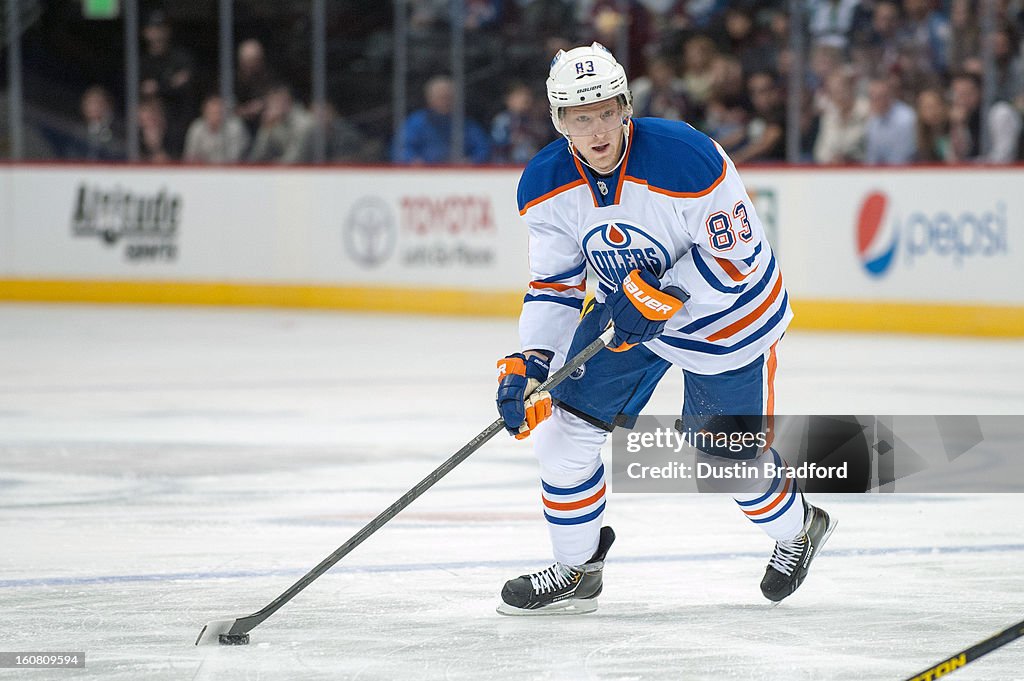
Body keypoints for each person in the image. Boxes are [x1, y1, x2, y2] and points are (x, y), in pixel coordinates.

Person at [494, 42, 835, 615]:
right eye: (581, 118)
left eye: (606, 111)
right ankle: (577, 568)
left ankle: (799, 527)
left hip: (726, 319)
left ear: (626, 105)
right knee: (562, 436)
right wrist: (532, 362)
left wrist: (667, 295)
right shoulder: (545, 185)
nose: (597, 129)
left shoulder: (687, 158)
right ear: (559, 122)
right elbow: (554, 286)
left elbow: (739, 257)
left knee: (726, 461)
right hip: (625, 314)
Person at [392, 75, 491, 164]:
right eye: (440, 97)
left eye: (448, 97)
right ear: (429, 99)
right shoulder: (416, 122)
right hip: (422, 177)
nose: (445, 101)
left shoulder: (466, 124)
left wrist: (470, 161)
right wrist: (413, 161)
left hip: (457, 177)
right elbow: (400, 148)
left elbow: (483, 149)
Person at [139, 10, 196, 158]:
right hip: (149, 123)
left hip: (178, 119)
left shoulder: (180, 58)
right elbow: (139, 91)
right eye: (154, 28)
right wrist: (169, 84)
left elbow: (185, 85)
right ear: (146, 32)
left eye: (161, 28)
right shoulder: (141, 63)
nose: (158, 33)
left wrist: (158, 87)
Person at [247, 85, 315, 164]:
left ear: (286, 102)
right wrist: (265, 127)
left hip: (315, 172)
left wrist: (271, 165)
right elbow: (257, 157)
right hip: (290, 171)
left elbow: (296, 159)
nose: (270, 107)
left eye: (274, 102)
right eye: (269, 103)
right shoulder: (276, 121)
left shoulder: (303, 123)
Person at [183, 94, 250, 164]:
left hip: (231, 171)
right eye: (212, 112)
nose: (216, 116)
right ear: (204, 112)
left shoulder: (235, 127)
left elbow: (236, 157)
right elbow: (190, 156)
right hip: (203, 171)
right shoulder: (197, 128)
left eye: (219, 112)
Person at [864, 76, 917, 164]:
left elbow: (902, 157)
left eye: (879, 97)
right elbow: (872, 156)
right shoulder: (873, 120)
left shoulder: (906, 119)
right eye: (872, 97)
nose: (875, 101)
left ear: (889, 96)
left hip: (904, 172)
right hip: (881, 173)